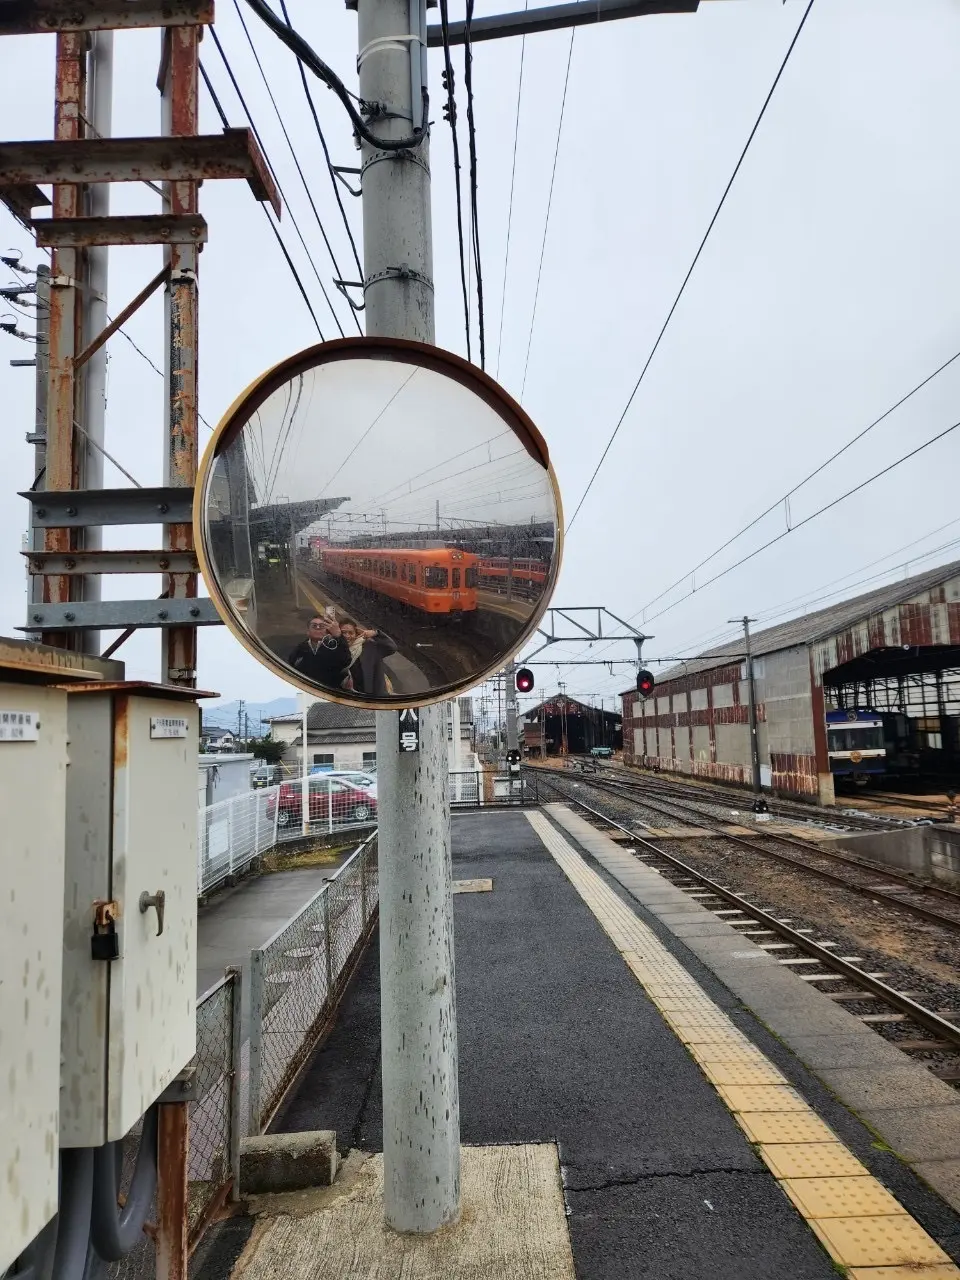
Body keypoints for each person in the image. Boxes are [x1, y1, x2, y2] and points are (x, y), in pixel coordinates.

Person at [339, 619, 398, 697]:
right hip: (349, 697)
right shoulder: (336, 649)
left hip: (374, 698)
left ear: (356, 634)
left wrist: (375, 633)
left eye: (351, 633)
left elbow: (392, 648)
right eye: (343, 632)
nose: (347, 636)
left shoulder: (370, 646)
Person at [288, 615, 352, 686]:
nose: (318, 628)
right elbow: (291, 666)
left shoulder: (334, 646)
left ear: (327, 631)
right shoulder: (301, 648)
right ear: (308, 632)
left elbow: (346, 661)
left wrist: (339, 636)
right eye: (314, 626)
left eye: (321, 626)